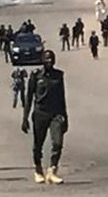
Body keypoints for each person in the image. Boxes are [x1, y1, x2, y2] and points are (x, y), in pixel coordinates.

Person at [22, 51, 68, 185]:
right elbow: (29, 97)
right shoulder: (36, 76)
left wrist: (65, 116)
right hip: (40, 113)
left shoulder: (59, 75)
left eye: (52, 59)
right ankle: (38, 170)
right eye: (47, 58)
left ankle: (52, 171)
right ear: (42, 60)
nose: (49, 61)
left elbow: (62, 97)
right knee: (38, 144)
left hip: (56, 113)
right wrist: (25, 118)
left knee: (58, 142)